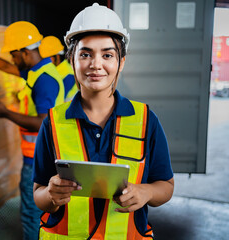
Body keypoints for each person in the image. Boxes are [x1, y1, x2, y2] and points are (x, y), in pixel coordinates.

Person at [32, 3, 174, 239]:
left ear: (122, 62)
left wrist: (146, 192)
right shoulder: (52, 123)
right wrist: (51, 195)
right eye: (85, 54)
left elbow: (166, 186)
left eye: (107, 54)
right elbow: (38, 194)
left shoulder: (146, 120)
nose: (96, 64)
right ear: (71, 60)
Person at [0, 21, 65, 240]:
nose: (12, 59)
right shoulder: (38, 71)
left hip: (39, 159)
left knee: (30, 213)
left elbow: (42, 122)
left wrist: (5, 113)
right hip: (42, 155)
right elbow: (6, 67)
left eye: (14, 55)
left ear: (25, 52)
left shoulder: (44, 81)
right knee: (41, 210)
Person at [39, 36, 78, 101]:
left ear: (57, 56)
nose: (45, 61)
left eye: (48, 57)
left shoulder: (68, 73)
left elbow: (57, 97)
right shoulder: (52, 70)